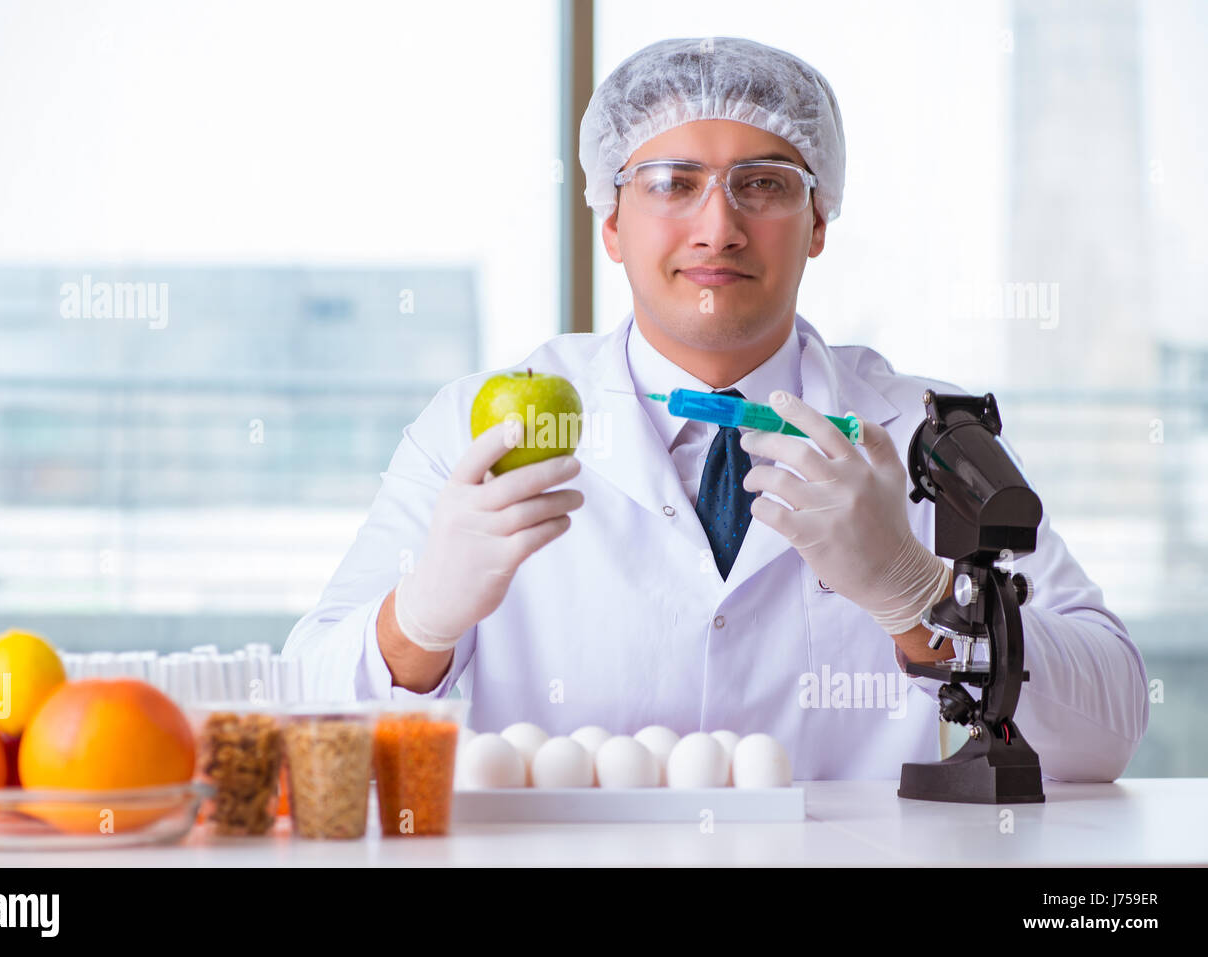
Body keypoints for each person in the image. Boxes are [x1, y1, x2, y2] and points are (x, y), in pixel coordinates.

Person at [283, 37, 1148, 781]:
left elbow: (1108, 730)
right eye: (671, 182)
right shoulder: (474, 427)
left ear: (817, 220)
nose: (718, 227)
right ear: (611, 222)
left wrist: (924, 599)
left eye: (764, 184)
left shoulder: (927, 434)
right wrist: (418, 622)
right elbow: (299, 718)